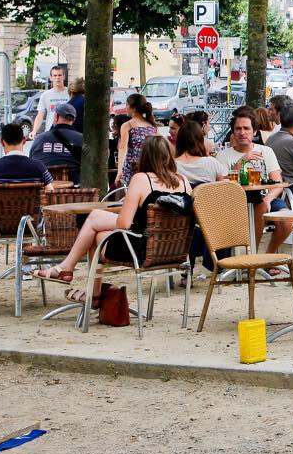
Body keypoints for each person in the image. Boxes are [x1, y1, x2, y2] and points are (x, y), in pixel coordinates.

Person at [32, 136, 189, 303]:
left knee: (95, 221)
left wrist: (114, 215)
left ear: (145, 156)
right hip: (172, 251)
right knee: (97, 234)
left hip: (142, 251)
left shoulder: (142, 179)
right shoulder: (183, 181)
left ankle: (75, 277)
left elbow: (124, 224)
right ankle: (87, 290)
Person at [217, 106, 291, 253]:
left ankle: (266, 257)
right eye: (238, 129)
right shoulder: (223, 155)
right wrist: (240, 163)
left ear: (255, 131)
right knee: (260, 206)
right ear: (233, 131)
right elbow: (222, 185)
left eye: (246, 128)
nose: (242, 132)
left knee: (287, 222)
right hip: (236, 203)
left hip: (264, 198)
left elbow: (277, 182)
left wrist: (268, 199)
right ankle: (253, 258)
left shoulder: (266, 151)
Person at [0, 122, 52, 207]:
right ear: (24, 140)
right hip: (32, 219)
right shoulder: (39, 167)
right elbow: (50, 194)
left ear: (2, 142)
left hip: (0, 219)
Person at [116, 94, 159, 185]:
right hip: (150, 167)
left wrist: (120, 171)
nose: (125, 107)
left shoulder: (128, 125)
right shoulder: (151, 125)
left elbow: (123, 148)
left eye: (127, 105)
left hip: (133, 169)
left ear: (133, 108)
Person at [29, 103, 83, 174]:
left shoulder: (40, 138)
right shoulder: (81, 139)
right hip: (73, 182)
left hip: (44, 183)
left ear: (56, 116)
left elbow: (31, 160)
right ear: (73, 120)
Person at [174, 119, 225, 188]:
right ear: (201, 140)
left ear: (179, 141)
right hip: (207, 198)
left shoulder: (172, 166)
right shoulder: (211, 163)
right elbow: (224, 188)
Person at [30, 65, 70, 137]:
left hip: (68, 133)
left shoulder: (71, 93)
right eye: (55, 75)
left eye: (60, 75)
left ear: (64, 77)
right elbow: (40, 116)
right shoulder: (45, 95)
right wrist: (34, 130)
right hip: (50, 133)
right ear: (51, 78)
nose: (57, 77)